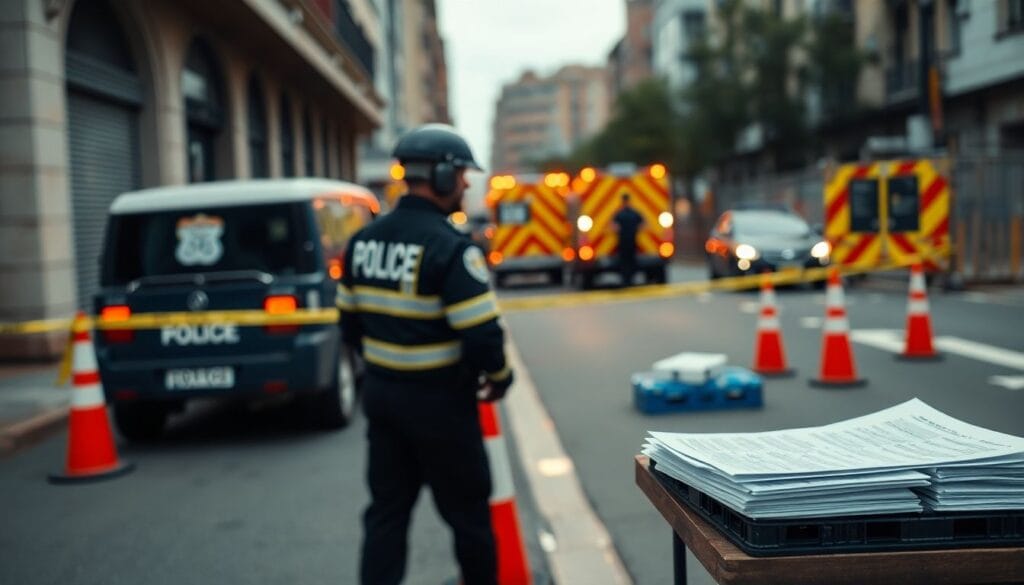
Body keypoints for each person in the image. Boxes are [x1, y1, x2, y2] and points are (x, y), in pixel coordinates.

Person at [338, 124, 513, 585]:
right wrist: (499, 374)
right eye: (461, 175)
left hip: (382, 399)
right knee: (469, 517)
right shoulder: (449, 247)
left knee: (386, 515)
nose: (466, 185)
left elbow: (350, 325)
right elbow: (481, 335)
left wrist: (386, 363)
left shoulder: (362, 243)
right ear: (440, 176)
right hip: (441, 407)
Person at [612, 193, 643, 287]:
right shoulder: (634, 213)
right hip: (632, 240)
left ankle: (625, 280)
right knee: (632, 259)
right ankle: (632, 278)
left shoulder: (619, 214)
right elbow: (642, 224)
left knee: (624, 261)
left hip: (623, 241)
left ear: (622, 201)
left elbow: (615, 227)